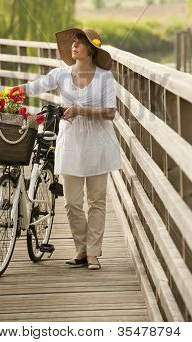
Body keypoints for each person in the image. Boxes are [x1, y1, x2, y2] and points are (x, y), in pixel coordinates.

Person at [15, 27, 121, 270]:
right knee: (71, 202)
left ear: (91, 50)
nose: (74, 45)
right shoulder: (61, 74)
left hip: (98, 144)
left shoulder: (105, 77)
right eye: (73, 42)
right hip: (71, 143)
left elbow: (110, 113)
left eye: (80, 42)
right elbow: (34, 86)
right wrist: (6, 94)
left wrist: (81, 110)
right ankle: (81, 248)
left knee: (96, 201)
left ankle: (93, 253)